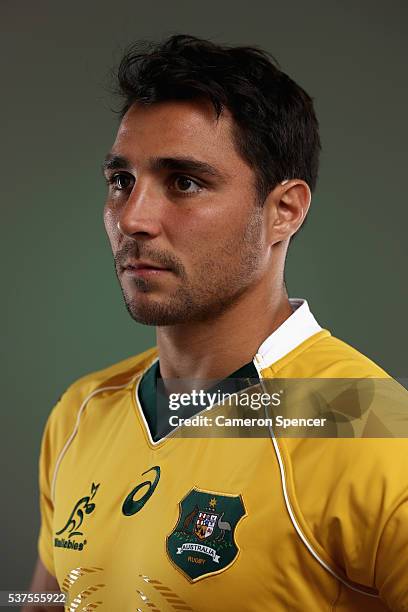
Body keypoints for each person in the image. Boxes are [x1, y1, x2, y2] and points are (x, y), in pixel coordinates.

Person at [25, 34, 408, 612]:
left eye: (184, 182)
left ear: (285, 210)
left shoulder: (373, 427)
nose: (133, 218)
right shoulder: (82, 411)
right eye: (121, 181)